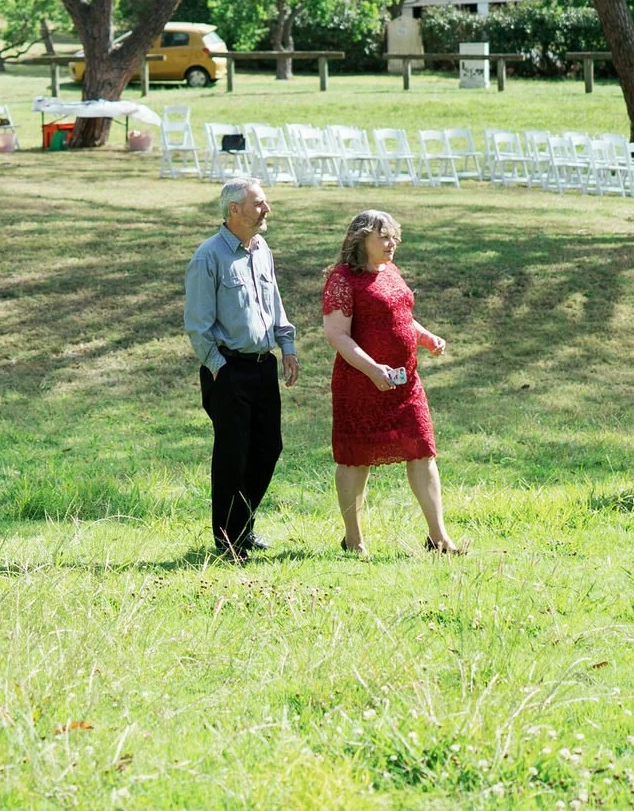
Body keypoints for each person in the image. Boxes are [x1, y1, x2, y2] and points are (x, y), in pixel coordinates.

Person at [321, 210, 466, 557]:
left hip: (404, 384)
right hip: (360, 384)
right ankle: (353, 539)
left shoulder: (391, 272)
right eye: (384, 237)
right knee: (356, 459)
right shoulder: (342, 280)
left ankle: (439, 539)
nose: (391, 244)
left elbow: (400, 315)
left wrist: (426, 337)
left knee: (422, 451)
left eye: (394, 238)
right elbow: (336, 335)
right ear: (361, 240)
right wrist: (373, 369)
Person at [183, 176, 299, 562]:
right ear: (235, 209)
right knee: (233, 453)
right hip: (228, 369)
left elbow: (275, 303)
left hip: (264, 366)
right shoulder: (208, 257)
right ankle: (228, 541)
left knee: (268, 447)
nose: (267, 209)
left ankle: (243, 528)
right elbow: (197, 326)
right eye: (260, 203)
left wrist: (287, 346)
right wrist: (219, 369)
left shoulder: (261, 248)